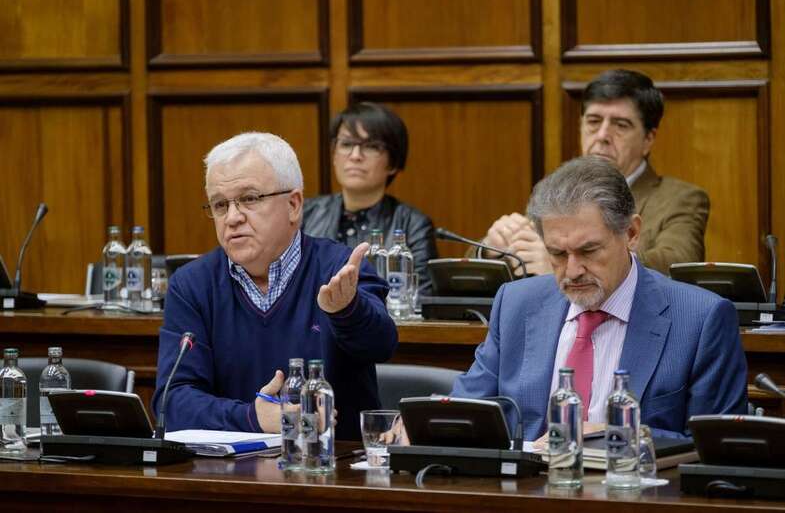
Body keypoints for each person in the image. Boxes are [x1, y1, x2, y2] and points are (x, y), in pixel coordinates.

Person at [452, 156, 746, 439]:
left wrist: (607, 436)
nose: (572, 270)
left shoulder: (700, 319)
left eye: (589, 251)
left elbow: (715, 449)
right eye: (556, 253)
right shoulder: (516, 304)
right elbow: (464, 411)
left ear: (631, 233)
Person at [152, 132, 398, 441]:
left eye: (249, 199)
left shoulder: (339, 268)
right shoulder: (192, 285)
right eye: (219, 205)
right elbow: (172, 402)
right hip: (223, 478)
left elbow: (382, 345)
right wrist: (253, 417)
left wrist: (348, 310)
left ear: (293, 205)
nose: (232, 218)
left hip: (334, 470)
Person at [478, 69, 709, 276]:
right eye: (594, 121)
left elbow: (677, 264)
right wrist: (492, 248)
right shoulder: (557, 189)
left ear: (649, 139)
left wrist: (559, 261)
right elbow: (511, 256)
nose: (602, 135)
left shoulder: (681, 198)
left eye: (620, 125)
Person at [302, 102, 437, 294]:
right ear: (333, 155)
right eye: (346, 144)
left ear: (393, 162)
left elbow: (420, 299)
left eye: (371, 146)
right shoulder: (304, 214)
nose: (355, 156)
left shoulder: (413, 225)